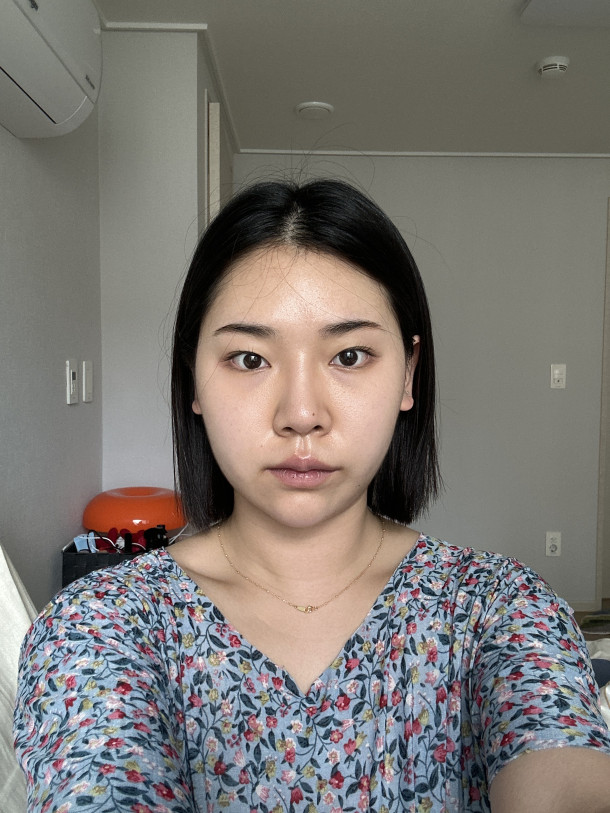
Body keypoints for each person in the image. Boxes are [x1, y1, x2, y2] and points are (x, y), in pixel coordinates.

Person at [14, 179, 610, 813]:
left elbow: (562, 776)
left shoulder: (500, 607)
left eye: (349, 355)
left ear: (408, 374)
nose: (301, 414)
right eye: (249, 359)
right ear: (193, 379)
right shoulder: (101, 625)